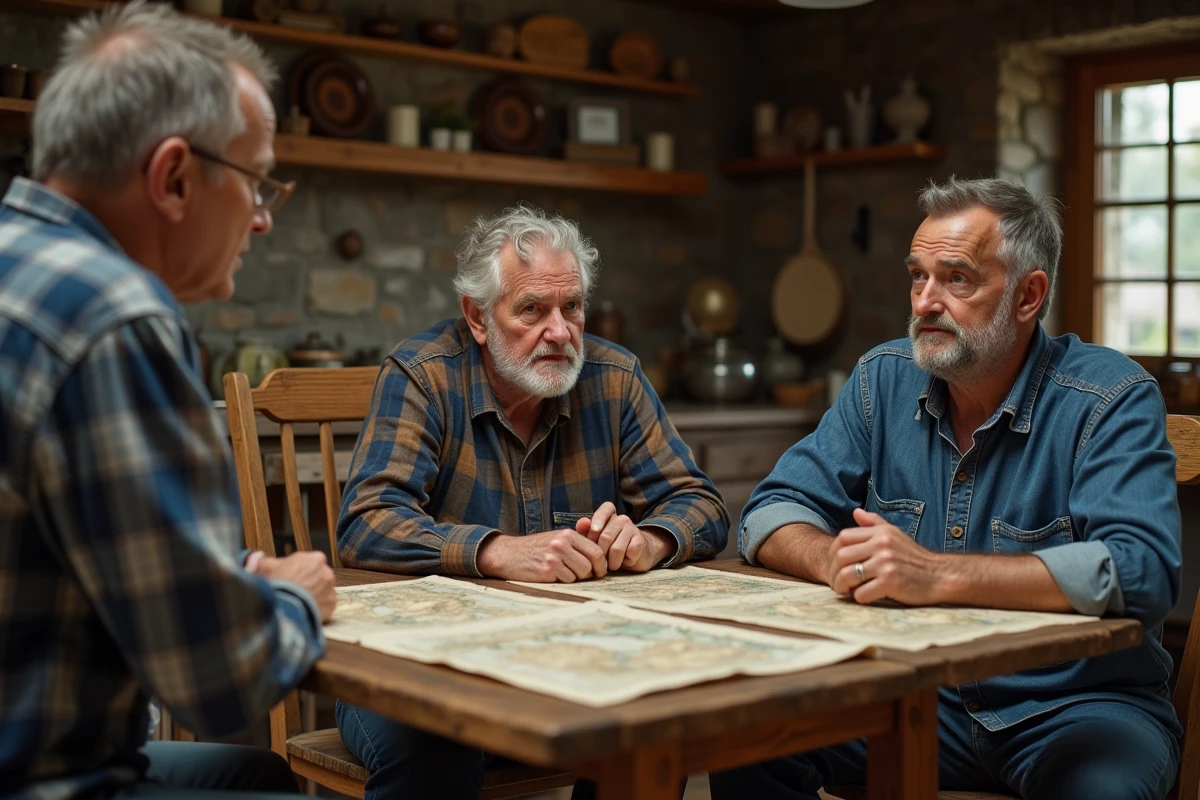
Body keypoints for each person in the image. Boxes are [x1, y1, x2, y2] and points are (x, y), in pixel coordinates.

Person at [710, 177, 1182, 800]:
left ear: (1028, 295)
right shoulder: (883, 379)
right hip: (912, 695)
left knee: (1103, 790)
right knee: (745, 738)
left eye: (956, 278)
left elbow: (1141, 571)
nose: (925, 302)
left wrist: (935, 575)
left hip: (1077, 706)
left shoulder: (1109, 397)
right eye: (918, 276)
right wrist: (833, 560)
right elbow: (772, 510)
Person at [0, 4, 337, 798]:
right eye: (257, 182)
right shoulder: (114, 319)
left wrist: (233, 572)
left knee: (252, 777)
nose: (262, 219)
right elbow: (221, 679)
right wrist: (296, 593)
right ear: (175, 178)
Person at [334, 204, 728, 799]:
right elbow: (368, 522)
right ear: (477, 317)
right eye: (532, 310)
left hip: (566, 659)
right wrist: (497, 552)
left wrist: (651, 540)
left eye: (572, 307)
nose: (561, 332)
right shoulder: (422, 376)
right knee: (438, 742)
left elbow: (700, 503)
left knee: (654, 727)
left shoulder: (614, 377)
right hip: (418, 664)